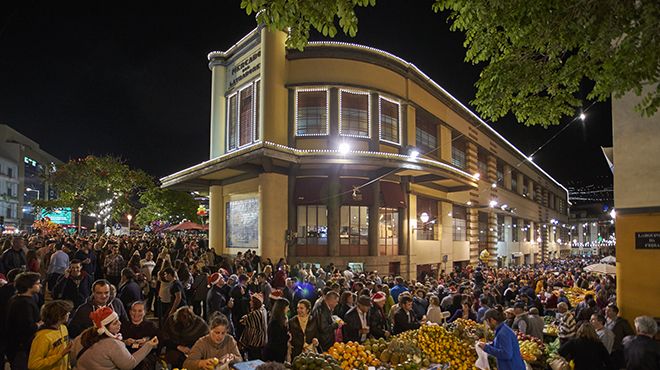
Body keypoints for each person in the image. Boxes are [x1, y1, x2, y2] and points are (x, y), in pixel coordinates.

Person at [70, 306, 158, 369]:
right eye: (115, 323)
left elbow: (73, 360)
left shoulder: (83, 336)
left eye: (118, 320)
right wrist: (149, 345)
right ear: (104, 328)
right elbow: (129, 365)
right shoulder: (113, 344)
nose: (120, 323)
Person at [6, 272, 42, 370]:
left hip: (16, 346)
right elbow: (28, 328)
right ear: (29, 286)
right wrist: (40, 323)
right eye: (38, 283)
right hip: (21, 349)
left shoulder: (16, 298)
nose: (40, 285)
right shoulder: (24, 303)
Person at [27, 300, 73, 370]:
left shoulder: (63, 328)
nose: (69, 313)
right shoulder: (43, 337)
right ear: (59, 316)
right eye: (66, 312)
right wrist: (60, 355)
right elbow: (33, 364)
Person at [120, 301, 159, 370]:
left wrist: (147, 342)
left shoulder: (151, 326)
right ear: (129, 312)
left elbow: (158, 342)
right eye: (134, 310)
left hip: (146, 356)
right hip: (127, 355)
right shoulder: (122, 326)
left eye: (140, 311)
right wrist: (125, 342)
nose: (136, 313)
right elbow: (115, 343)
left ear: (144, 312)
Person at [605, 303, 635, 369]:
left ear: (615, 312)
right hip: (607, 348)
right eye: (606, 310)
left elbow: (630, 334)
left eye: (609, 310)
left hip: (617, 349)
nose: (606, 312)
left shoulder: (622, 322)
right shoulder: (604, 321)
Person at [239, 294, 268, 360]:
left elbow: (242, 321)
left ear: (255, 303)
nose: (250, 302)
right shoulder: (263, 310)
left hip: (255, 342)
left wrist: (246, 316)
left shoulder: (254, 314)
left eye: (251, 301)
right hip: (263, 341)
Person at [263, 297, 290, 362]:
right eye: (287, 307)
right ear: (282, 308)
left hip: (278, 353)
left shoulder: (281, 320)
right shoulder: (275, 323)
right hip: (274, 355)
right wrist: (288, 336)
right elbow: (277, 340)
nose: (288, 309)